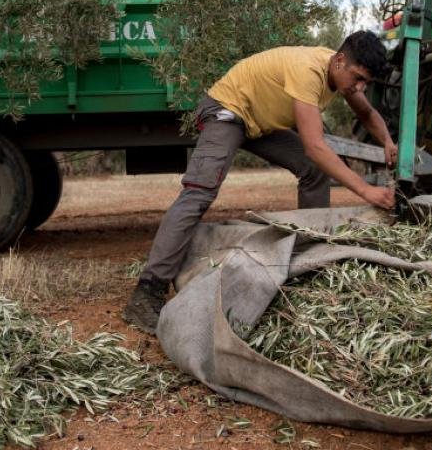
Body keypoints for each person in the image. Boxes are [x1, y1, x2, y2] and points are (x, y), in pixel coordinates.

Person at [122, 30, 398, 334]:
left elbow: (367, 112)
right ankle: (147, 292)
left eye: (365, 83)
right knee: (199, 193)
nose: (359, 87)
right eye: (357, 78)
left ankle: (311, 257)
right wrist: (365, 189)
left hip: (256, 123)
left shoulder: (340, 73)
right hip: (225, 109)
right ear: (340, 60)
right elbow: (315, 146)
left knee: (313, 171)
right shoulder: (308, 70)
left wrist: (387, 140)